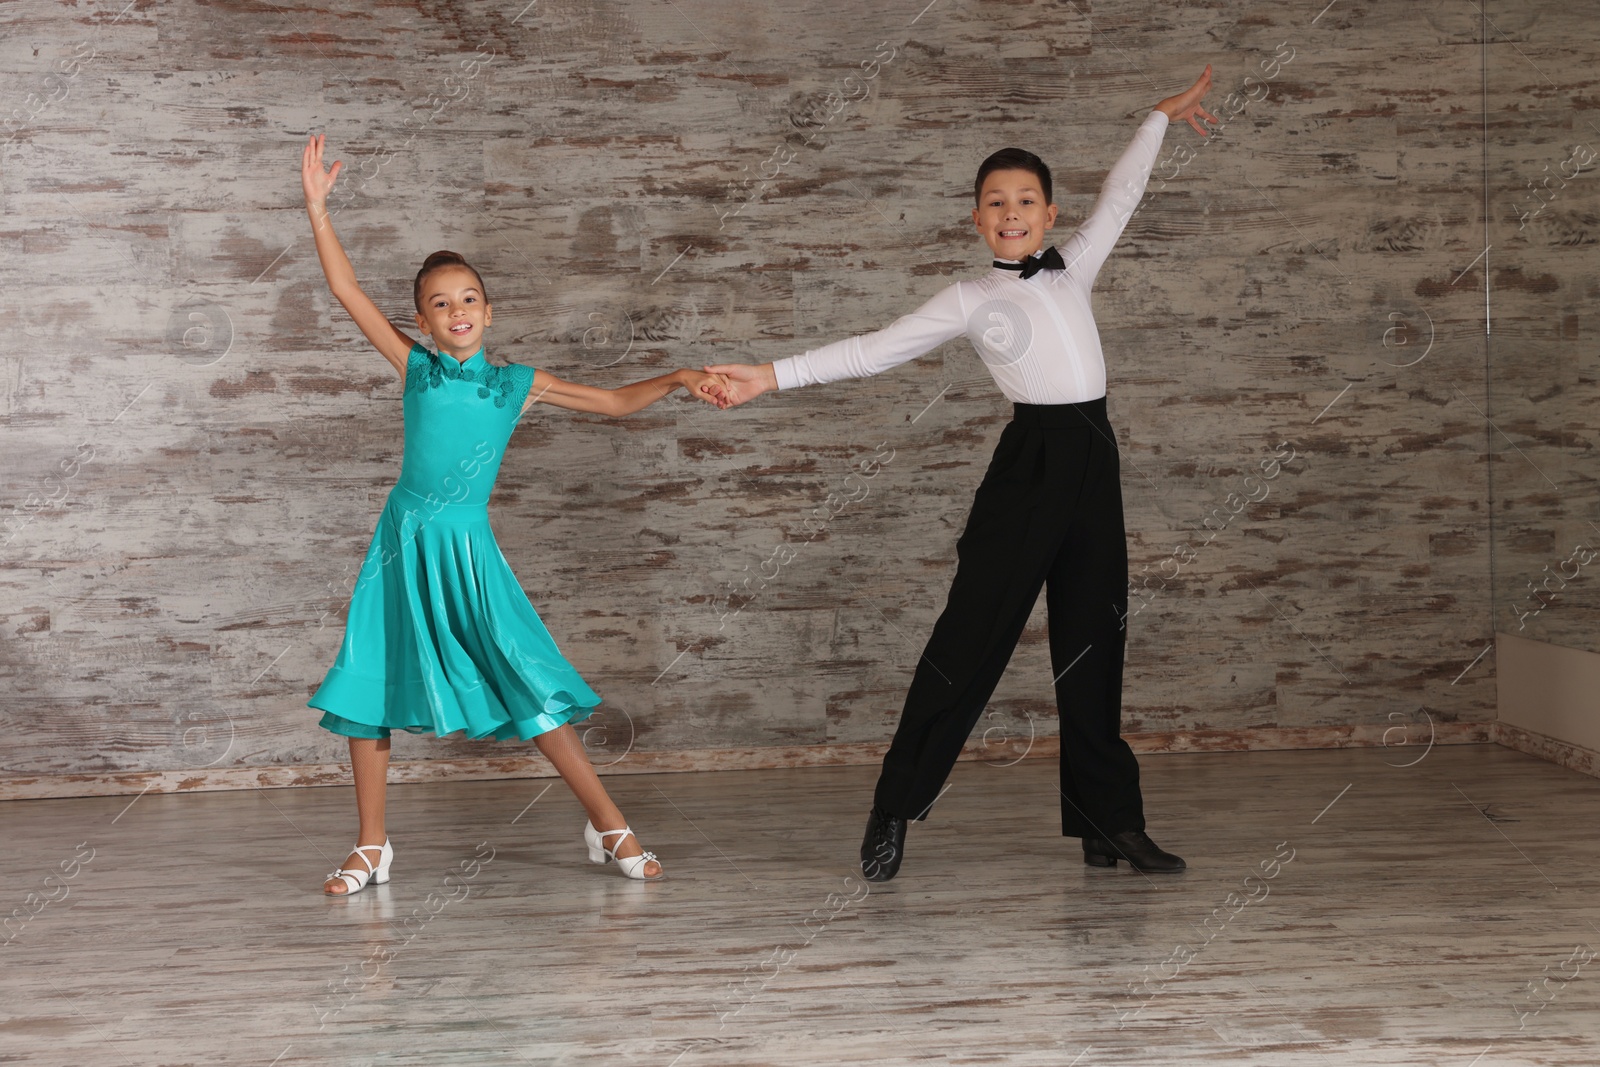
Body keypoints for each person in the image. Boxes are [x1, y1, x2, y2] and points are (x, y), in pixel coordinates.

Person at [704, 68, 1218, 881]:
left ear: (1050, 214)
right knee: (965, 645)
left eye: (1025, 200)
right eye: (994, 202)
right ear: (976, 220)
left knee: (1095, 642)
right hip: (1029, 468)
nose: (1011, 212)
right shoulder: (970, 298)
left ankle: (1107, 823)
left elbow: (1121, 196)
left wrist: (1156, 116)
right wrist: (768, 374)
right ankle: (894, 803)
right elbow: (874, 350)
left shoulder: (1074, 265)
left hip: (1095, 461)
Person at [299, 133, 726, 892]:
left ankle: (609, 824)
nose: (455, 311)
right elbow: (347, 293)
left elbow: (615, 401)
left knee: (527, 680)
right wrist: (318, 213)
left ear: (489, 312)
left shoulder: (518, 384)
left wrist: (677, 378)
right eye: (439, 303)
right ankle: (371, 844)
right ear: (423, 321)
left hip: (466, 548)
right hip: (402, 541)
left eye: (467, 299)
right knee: (367, 677)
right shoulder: (415, 366)